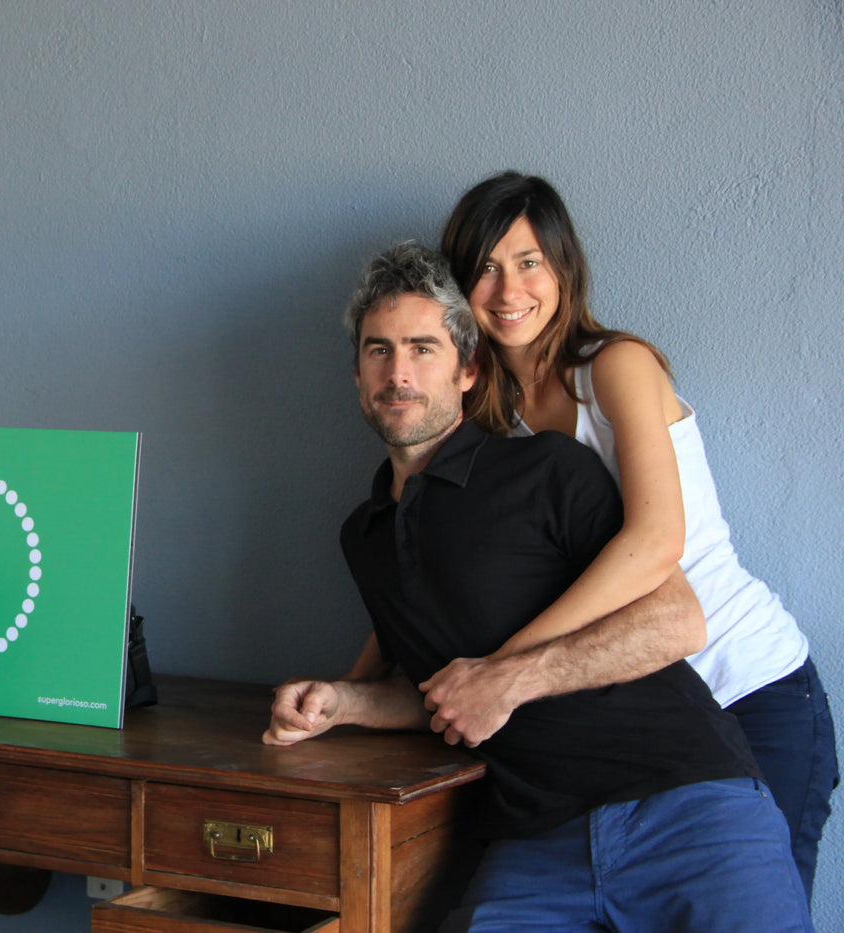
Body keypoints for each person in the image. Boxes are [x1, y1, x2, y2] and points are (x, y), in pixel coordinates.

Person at [264, 241, 812, 931]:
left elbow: (676, 619)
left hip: (687, 803)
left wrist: (511, 679)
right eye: (378, 350)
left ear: (468, 369)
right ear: (356, 374)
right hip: (535, 840)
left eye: (421, 347)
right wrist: (339, 701)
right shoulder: (364, 535)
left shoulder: (546, 470)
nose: (398, 372)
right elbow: (438, 686)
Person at [427, 171, 836, 902]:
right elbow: (431, 557)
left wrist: (503, 668)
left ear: (564, 269)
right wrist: (354, 685)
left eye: (528, 262)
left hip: (750, 689)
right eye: (485, 266)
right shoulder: (487, 423)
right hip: (644, 730)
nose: (508, 287)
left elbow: (655, 543)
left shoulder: (615, 367)